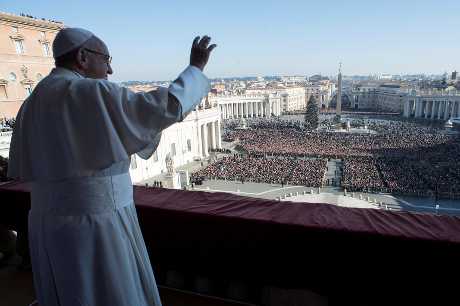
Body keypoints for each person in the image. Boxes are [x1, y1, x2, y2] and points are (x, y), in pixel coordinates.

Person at [8, 27, 216, 306]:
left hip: (47, 225)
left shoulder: (31, 103)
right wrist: (195, 68)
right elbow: (162, 108)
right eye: (106, 60)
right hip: (96, 222)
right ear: (82, 56)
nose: (111, 70)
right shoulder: (89, 91)